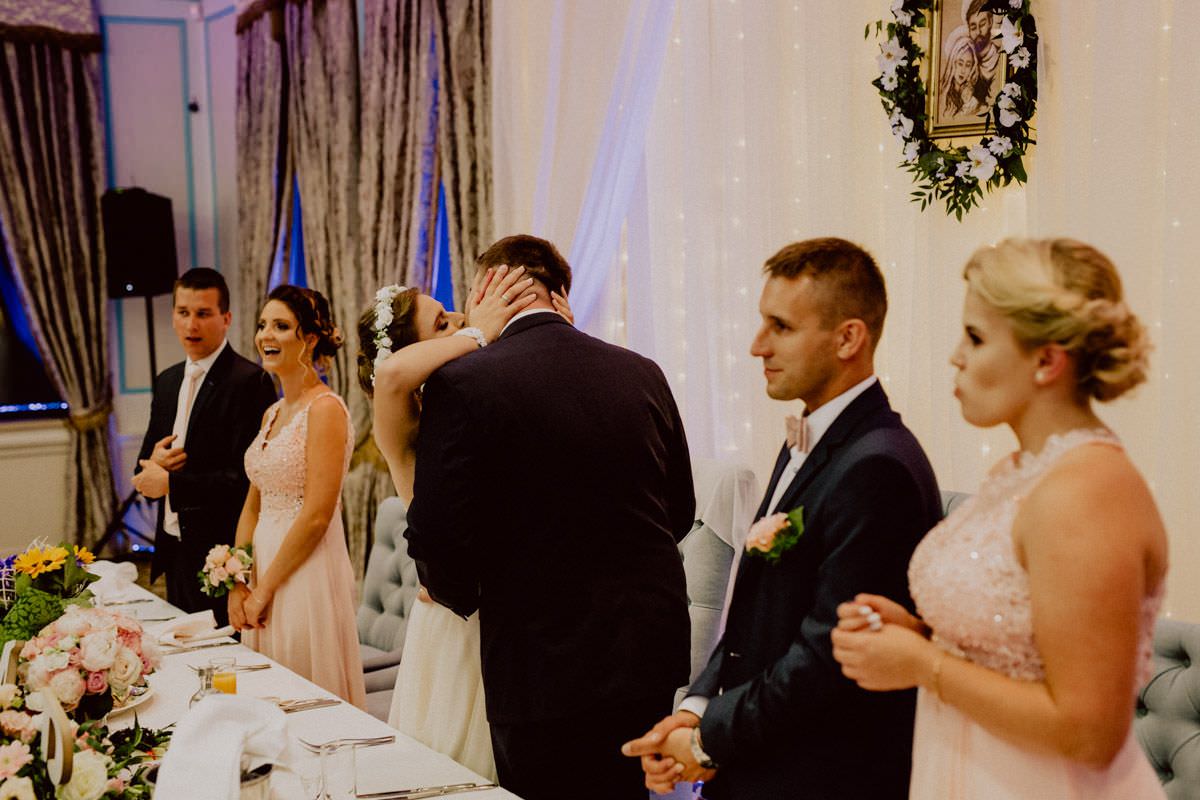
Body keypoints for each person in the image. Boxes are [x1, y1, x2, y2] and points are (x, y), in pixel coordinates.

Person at [831, 238, 1168, 799]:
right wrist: (920, 633)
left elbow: (1089, 732)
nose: (956, 356)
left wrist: (923, 665)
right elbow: (1022, 649)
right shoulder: (1018, 471)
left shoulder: (1086, 491)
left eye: (976, 337)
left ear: (1046, 360)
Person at [623, 237, 942, 799]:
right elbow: (751, 617)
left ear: (848, 337)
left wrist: (707, 741)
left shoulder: (878, 468)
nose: (756, 346)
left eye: (781, 327)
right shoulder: (812, 439)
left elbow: (827, 660)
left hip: (819, 777)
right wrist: (696, 710)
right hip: (762, 761)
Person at [404, 234, 695, 800]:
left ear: (487, 288)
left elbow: (440, 536)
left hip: (539, 659)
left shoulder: (462, 383)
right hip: (644, 650)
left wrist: (467, 597)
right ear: (562, 291)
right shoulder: (642, 371)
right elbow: (678, 509)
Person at [356, 264, 559, 780]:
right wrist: (480, 333)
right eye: (442, 323)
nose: (464, 318)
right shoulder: (399, 415)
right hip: (454, 615)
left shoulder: (480, 399)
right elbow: (393, 375)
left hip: (510, 607)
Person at [229, 285, 365, 707]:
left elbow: (317, 515)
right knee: (266, 699)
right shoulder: (273, 412)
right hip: (262, 570)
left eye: (281, 326)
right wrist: (237, 579)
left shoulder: (326, 410)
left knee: (303, 696)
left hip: (303, 571)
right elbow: (253, 503)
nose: (266, 335)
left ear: (309, 339)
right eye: (263, 325)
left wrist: (266, 589)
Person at [132, 268, 276, 625]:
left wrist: (171, 484)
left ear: (226, 319)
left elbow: (246, 481)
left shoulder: (250, 381)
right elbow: (145, 467)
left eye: (203, 313)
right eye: (183, 313)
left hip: (222, 553)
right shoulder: (167, 382)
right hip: (173, 547)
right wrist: (153, 463)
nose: (191, 325)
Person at [938, 33, 986, 122]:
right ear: (953, 63)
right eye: (960, 63)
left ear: (972, 68)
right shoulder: (941, 92)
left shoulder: (974, 99)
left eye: (968, 65)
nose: (963, 70)